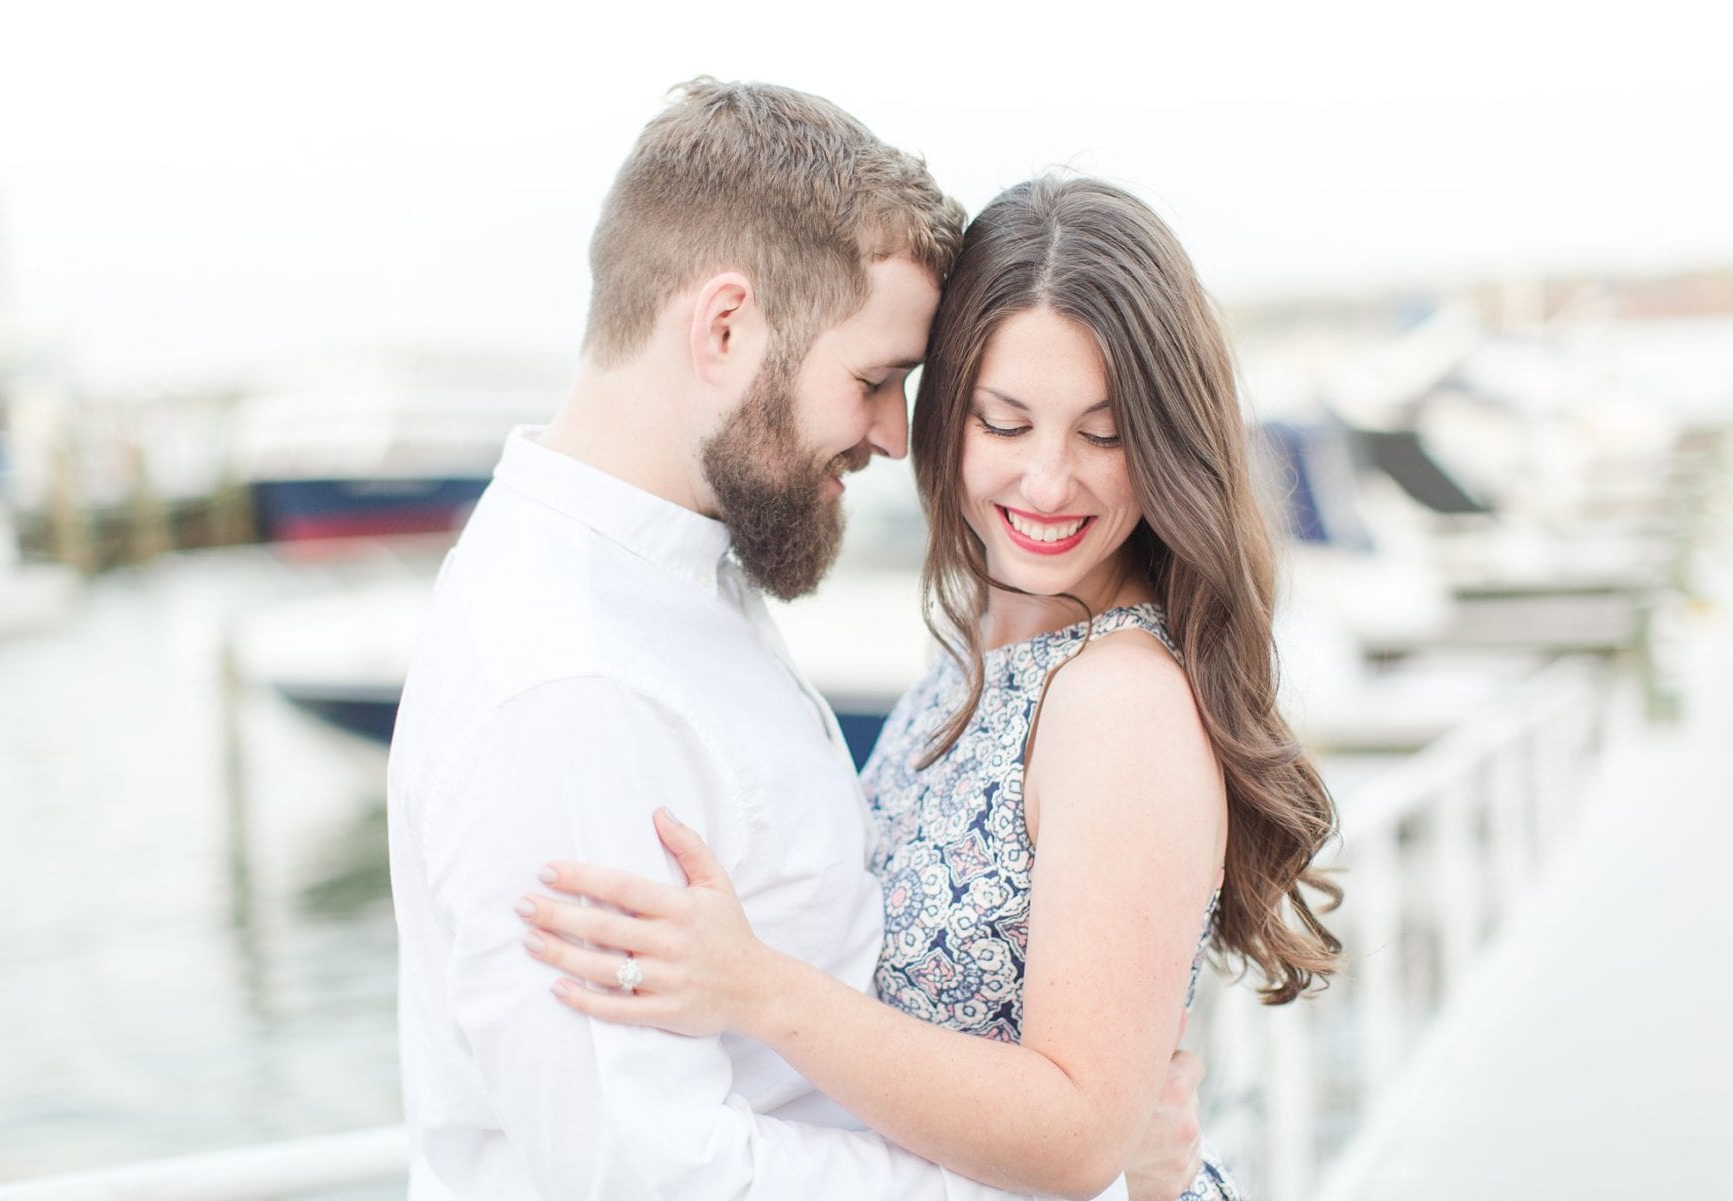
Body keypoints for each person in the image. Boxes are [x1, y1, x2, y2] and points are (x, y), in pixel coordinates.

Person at [386, 82, 1204, 1199]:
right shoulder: (574, 681)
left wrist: (1078, 1137)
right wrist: (1088, 1183)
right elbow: (638, 1176)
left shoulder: (678, 587)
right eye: (873, 380)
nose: (885, 433)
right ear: (725, 328)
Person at [515, 177, 1345, 1200]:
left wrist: (758, 989)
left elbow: (1078, 1134)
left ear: (1170, 443)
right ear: (945, 416)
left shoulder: (1118, 702)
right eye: (1006, 423)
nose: (1047, 484)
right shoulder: (977, 643)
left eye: (1104, 433)